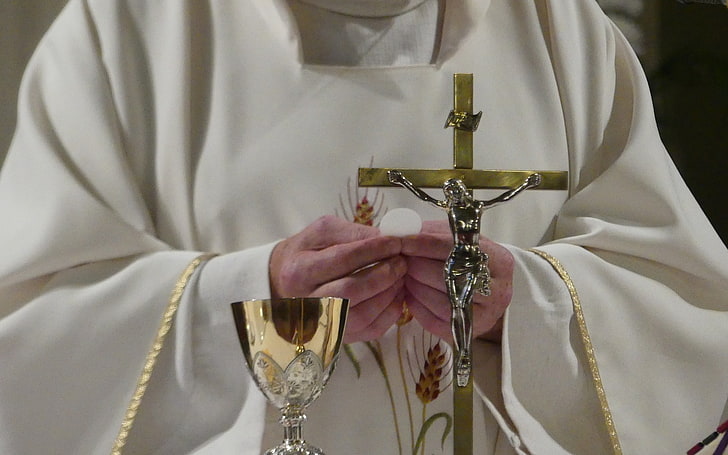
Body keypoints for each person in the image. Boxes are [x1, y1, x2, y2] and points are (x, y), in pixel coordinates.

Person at [0, 0, 726, 454]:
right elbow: (30, 333)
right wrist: (254, 301)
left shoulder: (561, 27)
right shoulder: (124, 30)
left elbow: (687, 307)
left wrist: (527, 304)